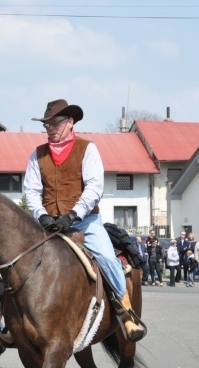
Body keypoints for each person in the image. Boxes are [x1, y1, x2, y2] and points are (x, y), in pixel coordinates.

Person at [23, 99, 144, 341]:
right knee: (18, 260)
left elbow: (94, 188)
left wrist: (73, 214)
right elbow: (31, 191)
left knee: (108, 259)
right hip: (48, 224)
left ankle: (125, 311)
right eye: (47, 125)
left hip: (85, 222)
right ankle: (13, 321)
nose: (50, 129)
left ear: (70, 122)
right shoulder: (37, 155)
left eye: (55, 123)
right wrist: (42, 215)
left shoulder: (87, 149)